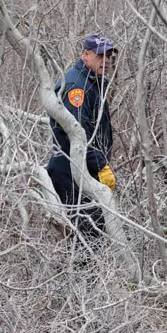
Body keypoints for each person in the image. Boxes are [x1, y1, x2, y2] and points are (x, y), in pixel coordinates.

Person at [47, 33, 117, 251]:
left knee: (91, 236)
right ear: (85, 55)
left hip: (83, 169)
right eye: (99, 55)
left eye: (109, 55)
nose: (106, 60)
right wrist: (101, 165)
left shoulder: (92, 82)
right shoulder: (78, 87)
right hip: (72, 170)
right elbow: (77, 134)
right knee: (88, 239)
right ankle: (79, 284)